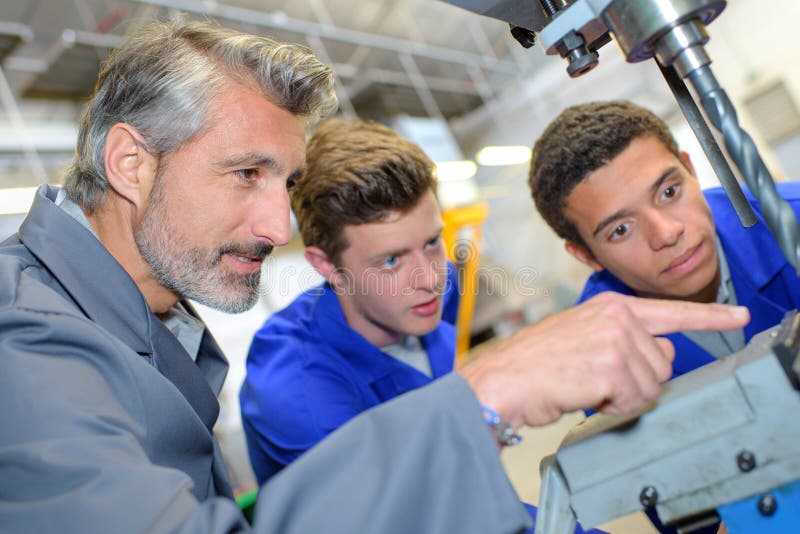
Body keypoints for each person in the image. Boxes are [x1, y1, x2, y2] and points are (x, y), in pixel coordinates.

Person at [0, 20, 749, 534]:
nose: (276, 226)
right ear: (131, 164)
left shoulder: (143, 323)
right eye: (245, 174)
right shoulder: (23, 342)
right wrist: (481, 399)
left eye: (282, 182)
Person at [240, 118, 461, 482]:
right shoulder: (302, 395)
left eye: (432, 242)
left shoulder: (438, 287)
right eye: (391, 260)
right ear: (328, 265)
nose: (430, 278)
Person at [529, 100, 800, 380]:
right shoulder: (598, 353)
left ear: (689, 169)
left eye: (669, 192)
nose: (667, 233)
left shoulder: (793, 218)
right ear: (586, 255)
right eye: (621, 230)